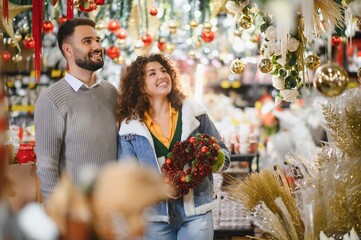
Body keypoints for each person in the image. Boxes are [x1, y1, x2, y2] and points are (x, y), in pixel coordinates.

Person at [117, 54, 230, 240]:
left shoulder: (195, 112)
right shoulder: (130, 127)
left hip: (196, 213)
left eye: (163, 70)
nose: (161, 76)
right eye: (152, 73)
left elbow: (225, 155)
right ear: (140, 85)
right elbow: (128, 176)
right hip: (155, 218)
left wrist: (213, 157)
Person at [34, 18, 119, 201]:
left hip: (113, 207)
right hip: (77, 213)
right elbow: (47, 166)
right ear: (68, 50)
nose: (97, 46)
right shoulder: (51, 99)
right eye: (87, 41)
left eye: (98, 40)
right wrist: (59, 213)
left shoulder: (112, 93)